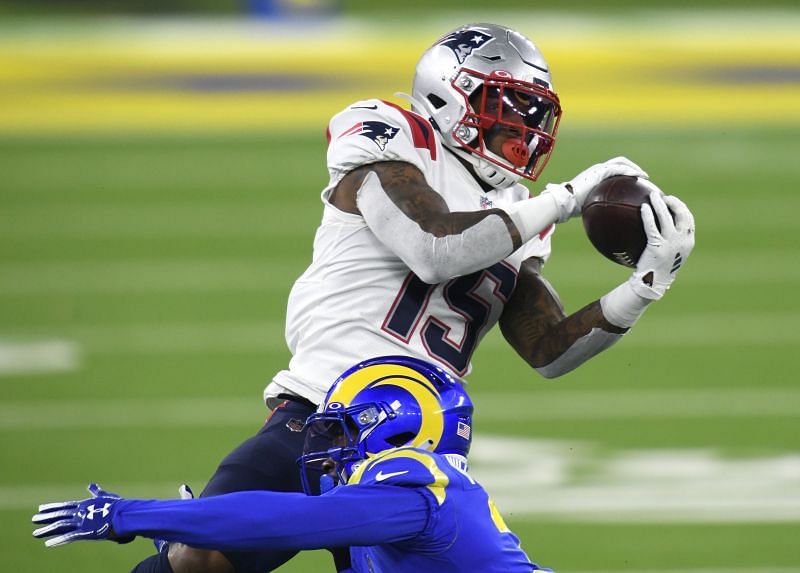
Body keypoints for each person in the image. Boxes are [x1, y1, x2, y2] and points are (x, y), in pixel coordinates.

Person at [121, 21, 695, 573]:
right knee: (201, 558)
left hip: (415, 442)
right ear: (449, 98)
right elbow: (434, 247)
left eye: (531, 117)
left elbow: (547, 349)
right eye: (506, 111)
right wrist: (565, 198)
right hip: (321, 412)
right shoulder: (395, 135)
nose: (523, 132)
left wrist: (642, 288)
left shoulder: (520, 210)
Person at [33, 356, 555, 573]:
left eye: (347, 427)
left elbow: (278, 520)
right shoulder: (392, 502)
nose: (332, 443)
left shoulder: (415, 489)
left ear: (399, 427)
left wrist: (133, 515)